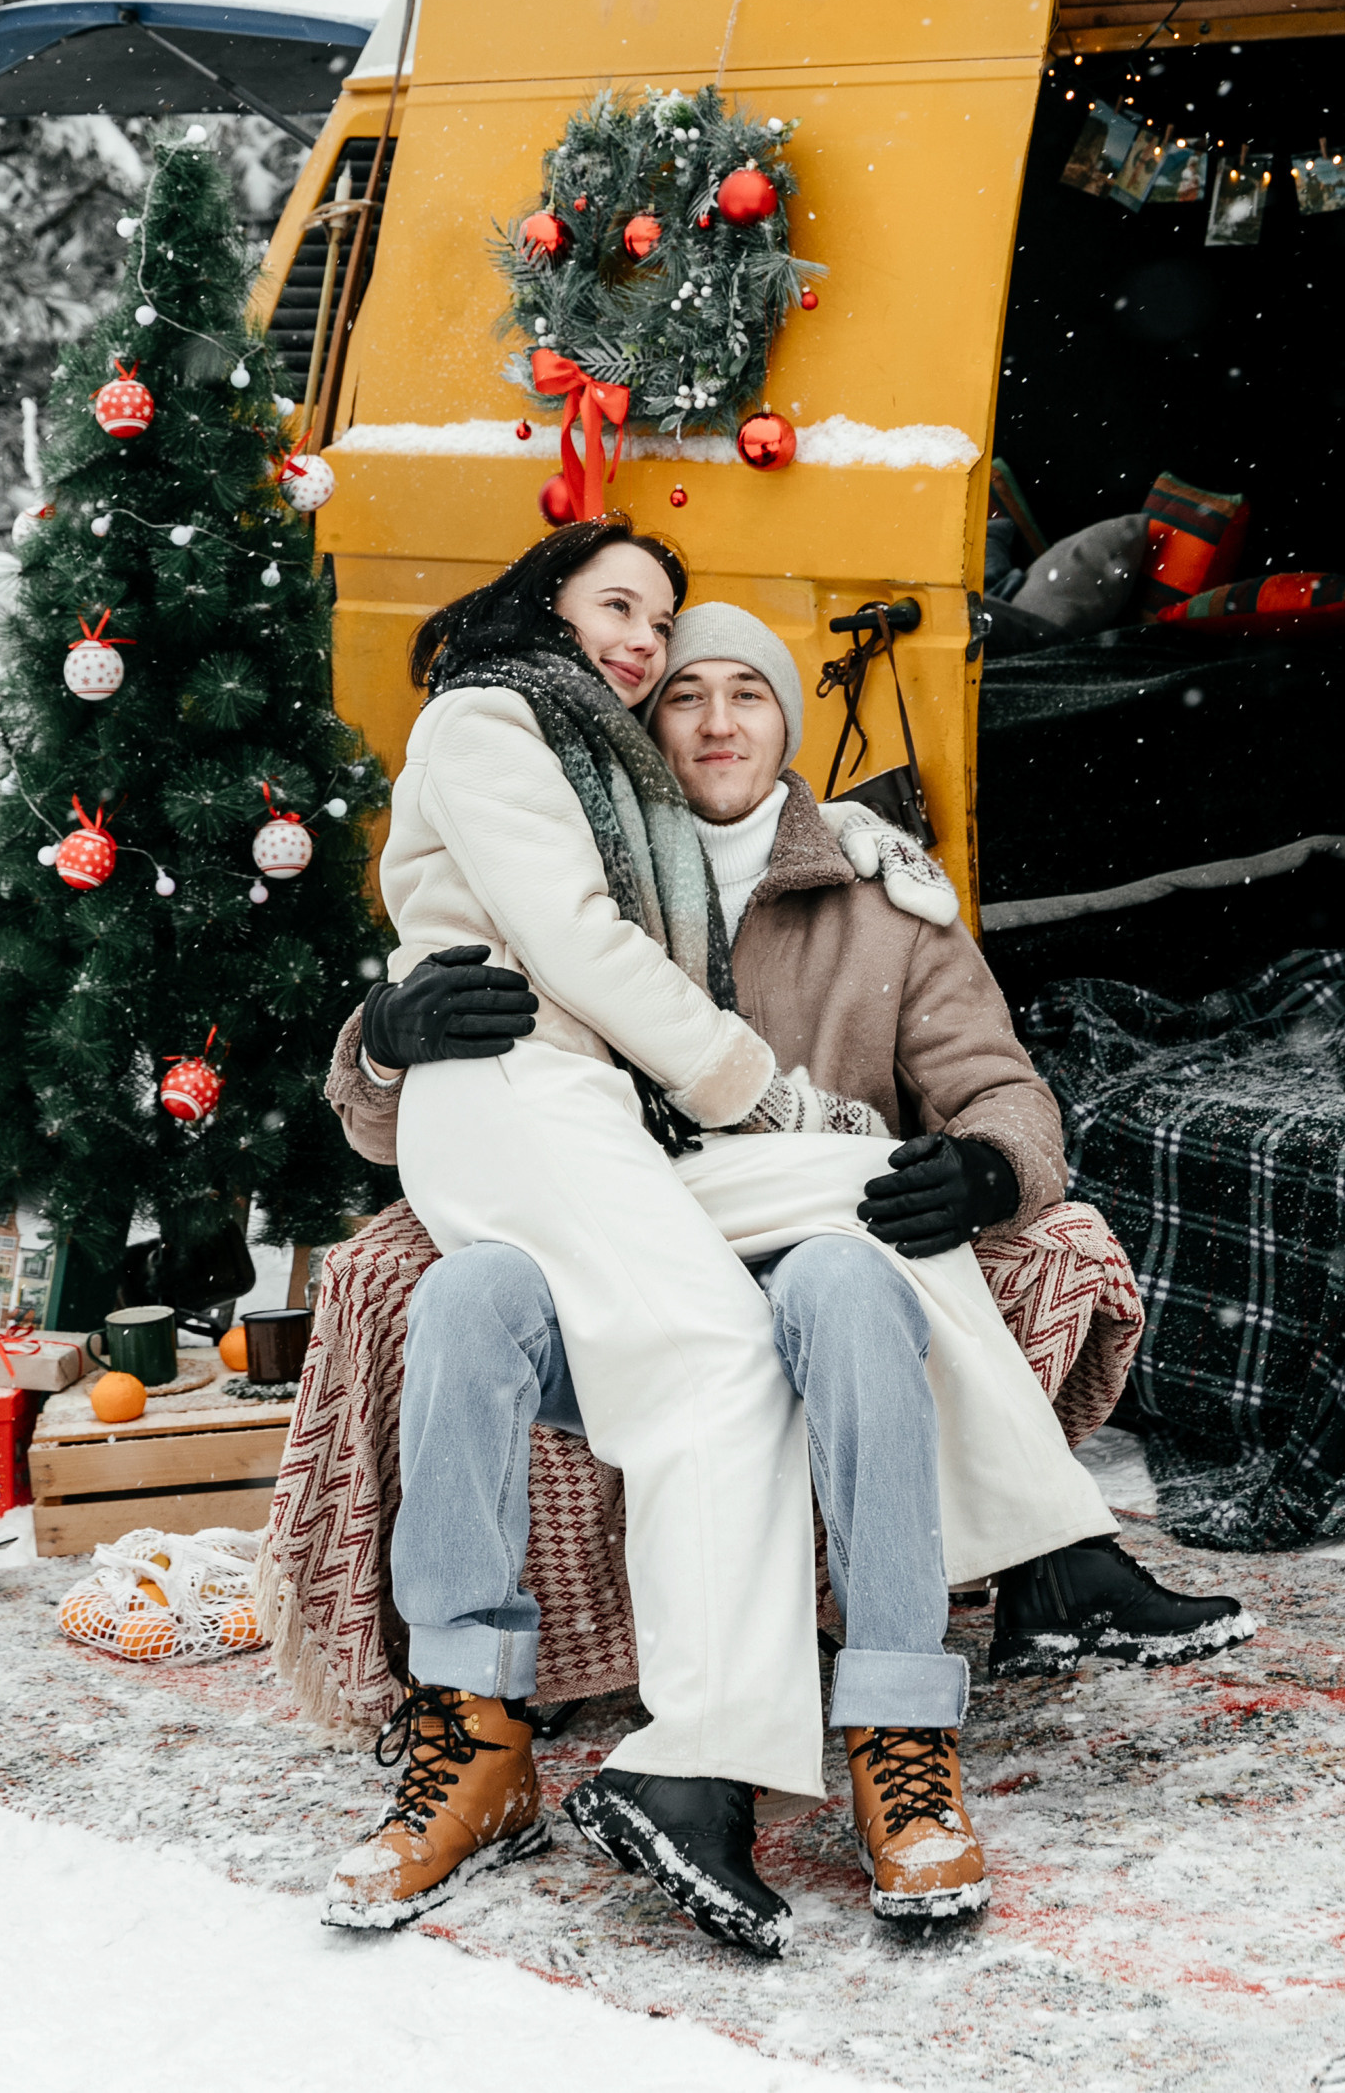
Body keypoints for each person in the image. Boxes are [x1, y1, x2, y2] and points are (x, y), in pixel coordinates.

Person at [320, 579, 1249, 1942]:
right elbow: (441, 1109)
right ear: (637, 727)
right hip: (619, 1240)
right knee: (468, 1292)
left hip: (797, 1252)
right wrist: (385, 1040)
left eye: (743, 690)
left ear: (789, 720)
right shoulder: (587, 859)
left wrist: (988, 1169)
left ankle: (893, 1728)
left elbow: (1002, 1091)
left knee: (844, 1273)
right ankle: (474, 1727)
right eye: (678, 692)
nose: (709, 718)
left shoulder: (878, 895)